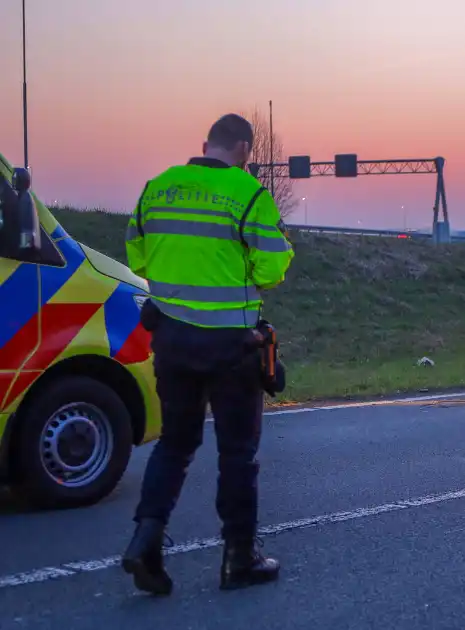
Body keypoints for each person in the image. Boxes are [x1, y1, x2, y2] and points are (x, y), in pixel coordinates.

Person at [121, 113, 295, 595]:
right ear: (244, 150)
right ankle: (239, 558)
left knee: (175, 444)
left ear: (204, 145)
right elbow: (272, 267)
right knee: (237, 452)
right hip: (231, 346)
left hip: (172, 340)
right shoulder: (249, 194)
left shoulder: (158, 187)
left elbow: (137, 254)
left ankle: (145, 539)